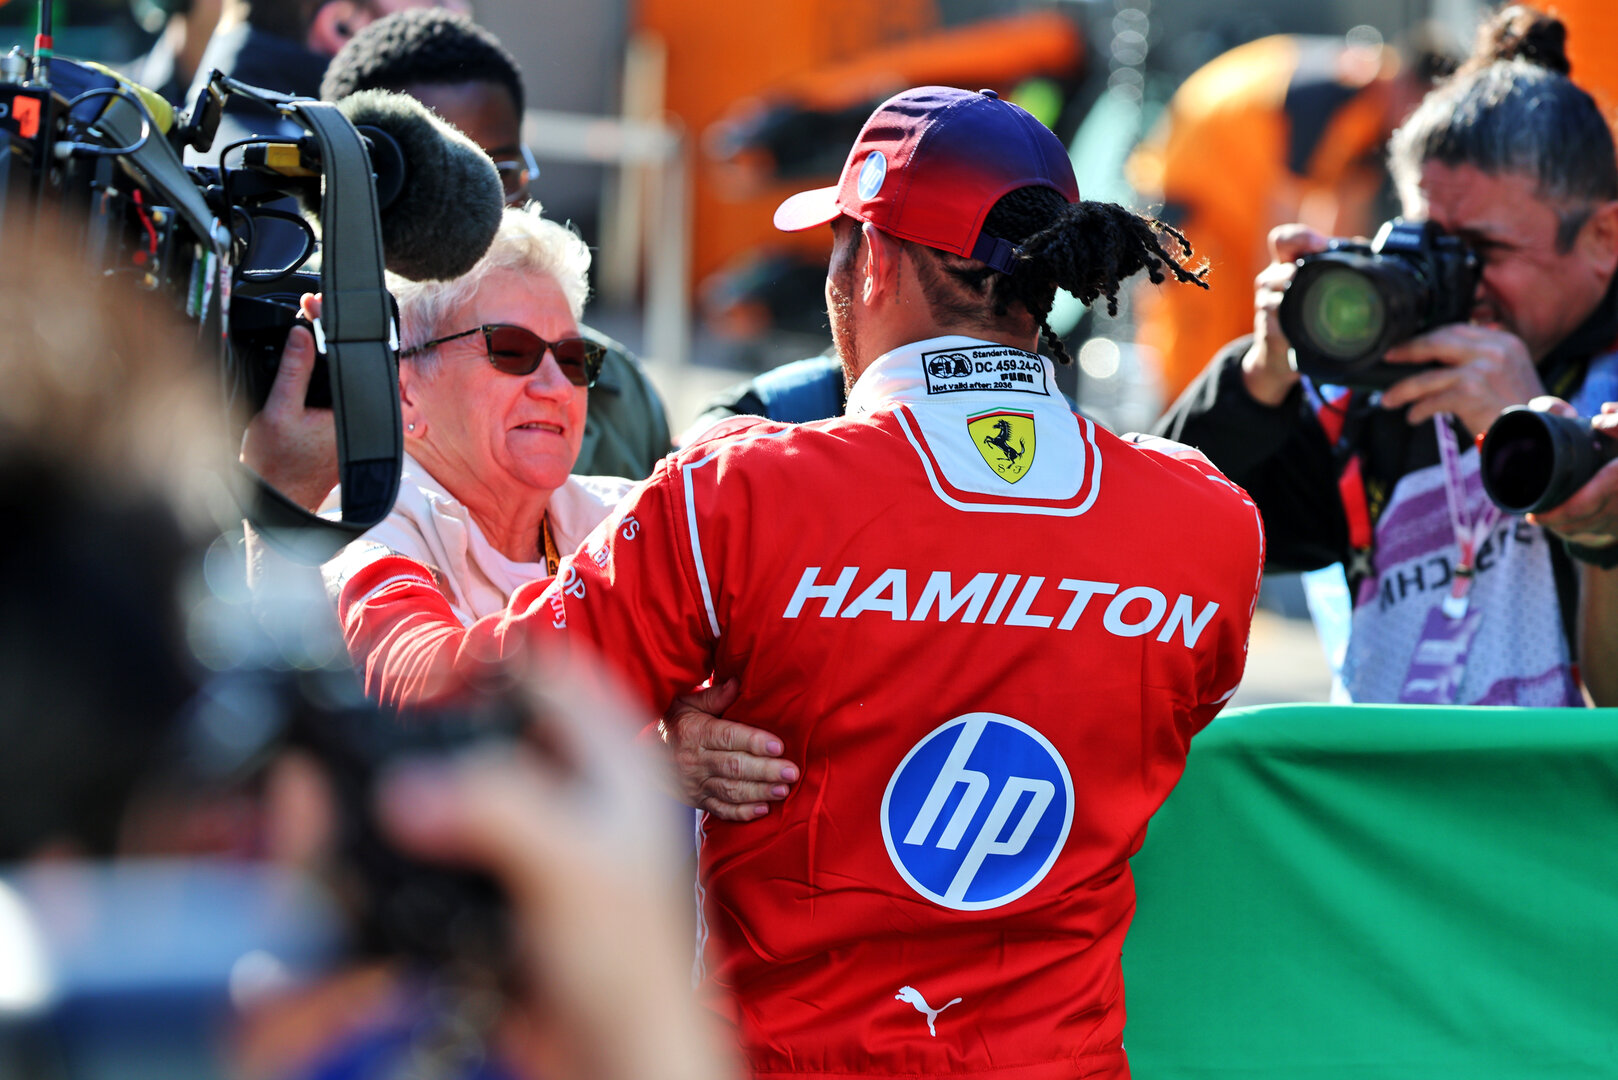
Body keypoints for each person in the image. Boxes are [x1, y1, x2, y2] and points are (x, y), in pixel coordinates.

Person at [333, 85, 1264, 1078]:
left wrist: (366, 554)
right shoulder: (1208, 527)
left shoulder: (739, 497)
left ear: (873, 263)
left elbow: (460, 705)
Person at [1156, 7, 1618, 706]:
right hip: (1390, 804)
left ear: (1603, 238)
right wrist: (1263, 375)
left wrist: (1535, 441)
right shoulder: (1385, 391)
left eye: (1485, 253)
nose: (1456, 284)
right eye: (1429, 247)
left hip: (1566, 807)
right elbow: (1167, 541)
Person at [318, 7, 673, 480]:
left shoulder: (612, 393)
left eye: (499, 175)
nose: (477, 216)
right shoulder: (301, 395)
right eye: (429, 183)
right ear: (352, 189)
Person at [1126, 29, 1447, 401]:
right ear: (1413, 88)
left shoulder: (1377, 115)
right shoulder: (1338, 88)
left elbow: (1346, 216)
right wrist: (1287, 304)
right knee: (1201, 351)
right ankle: (1178, 446)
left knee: (1256, 343)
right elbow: (1281, 218)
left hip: (1242, 200)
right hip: (1202, 194)